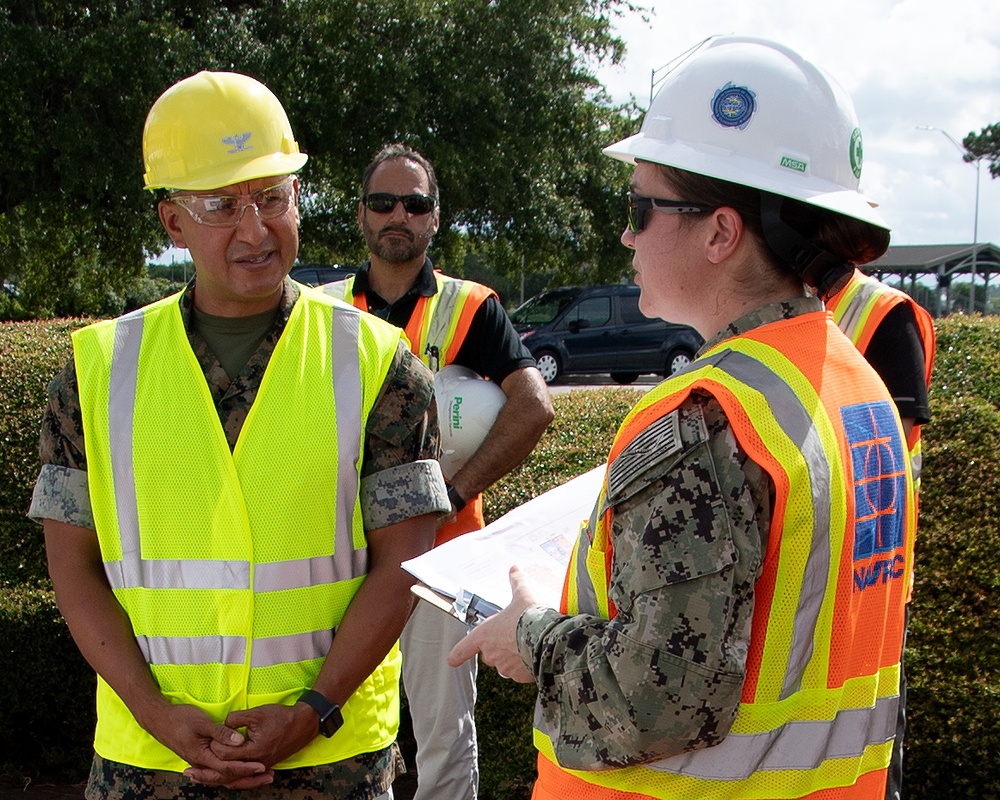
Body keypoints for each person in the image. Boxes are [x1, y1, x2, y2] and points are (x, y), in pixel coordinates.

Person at [449, 35, 915, 800]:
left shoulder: (709, 419)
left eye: (642, 207)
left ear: (720, 232)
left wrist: (527, 634)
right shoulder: (850, 382)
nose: (628, 234)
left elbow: (649, 703)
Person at [30, 71, 450, 800]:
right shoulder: (94, 369)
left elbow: (405, 561)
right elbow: (75, 567)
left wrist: (312, 711)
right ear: (172, 223)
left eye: (273, 198)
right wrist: (155, 712)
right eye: (221, 206)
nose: (256, 229)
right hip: (152, 762)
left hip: (330, 758)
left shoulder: (380, 363)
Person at [322, 143, 554, 800]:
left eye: (415, 203)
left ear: (435, 218)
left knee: (443, 733)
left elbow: (533, 408)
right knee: (333, 722)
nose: (399, 214)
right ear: (362, 215)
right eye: (383, 202)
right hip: (344, 555)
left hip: (442, 557)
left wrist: (449, 494)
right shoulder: (323, 309)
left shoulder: (470, 307)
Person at [823, 268, 936, 800]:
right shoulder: (782, 295)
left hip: (869, 571)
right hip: (814, 573)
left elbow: (894, 437)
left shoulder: (881, 314)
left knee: (868, 744)